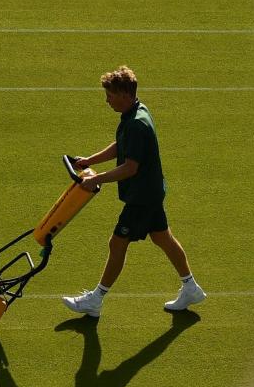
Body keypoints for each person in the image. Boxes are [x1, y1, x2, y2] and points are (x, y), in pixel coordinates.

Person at [62, 66, 206, 317]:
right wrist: (90, 161)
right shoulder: (135, 113)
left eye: (110, 95)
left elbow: (130, 167)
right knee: (163, 238)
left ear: (125, 94)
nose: (107, 100)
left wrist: (96, 180)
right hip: (150, 192)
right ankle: (191, 287)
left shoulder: (137, 124)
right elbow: (120, 146)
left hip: (142, 198)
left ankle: (96, 300)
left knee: (117, 243)